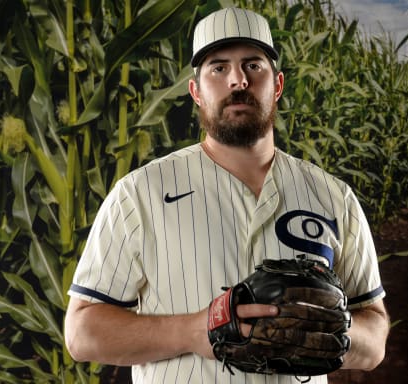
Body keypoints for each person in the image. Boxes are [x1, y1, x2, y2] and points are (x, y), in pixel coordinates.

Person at [65, 7, 389, 384]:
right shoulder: (140, 194)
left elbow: (375, 336)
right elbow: (81, 334)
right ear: (196, 92)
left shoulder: (335, 197)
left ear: (278, 85)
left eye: (254, 66)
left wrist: (333, 332)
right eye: (218, 68)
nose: (238, 80)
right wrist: (192, 331)